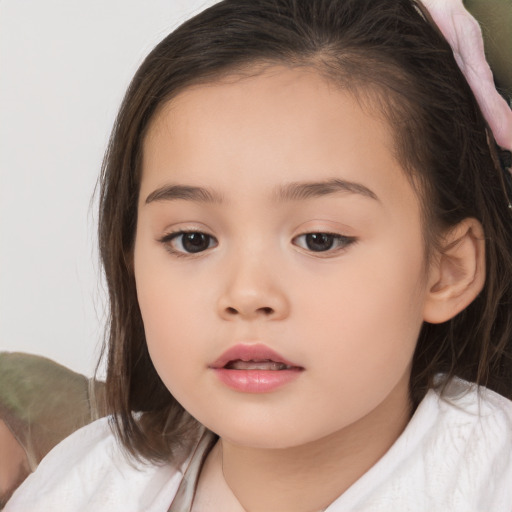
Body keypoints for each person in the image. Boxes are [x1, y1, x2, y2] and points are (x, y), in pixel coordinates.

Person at [5, 0, 512, 510]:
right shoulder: (86, 483)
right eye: (192, 240)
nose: (246, 294)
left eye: (320, 239)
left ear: (447, 270)